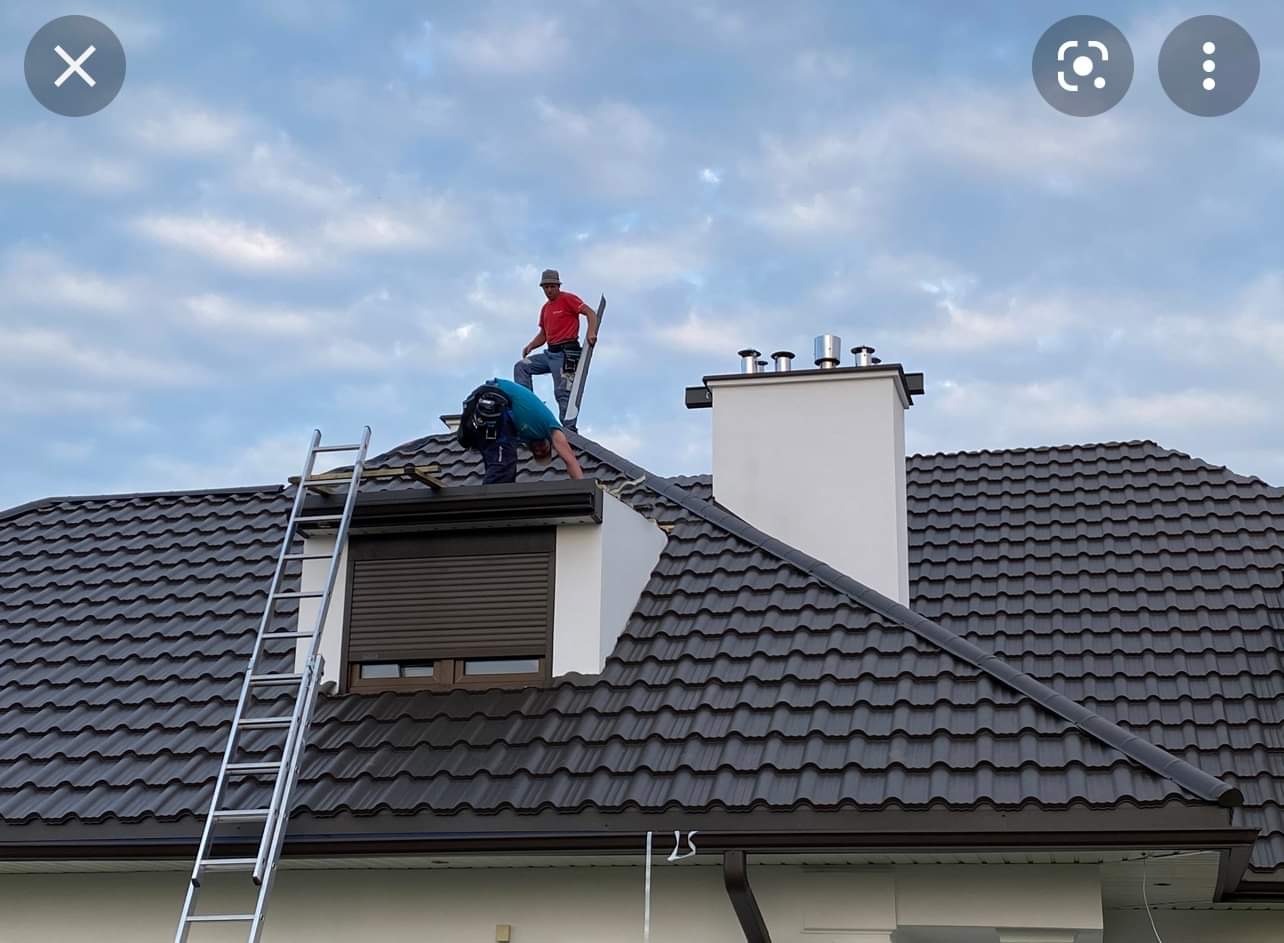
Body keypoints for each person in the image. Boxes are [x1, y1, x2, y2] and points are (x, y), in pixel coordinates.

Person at [514, 269, 598, 431]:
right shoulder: (545, 308)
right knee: (521, 366)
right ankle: (527, 409)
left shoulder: (567, 299)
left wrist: (591, 332)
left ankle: (569, 430)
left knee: (562, 391)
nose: (549, 290)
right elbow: (544, 334)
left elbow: (590, 313)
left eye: (552, 286)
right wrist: (531, 345)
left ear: (558, 286)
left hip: (566, 353)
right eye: (546, 287)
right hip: (550, 353)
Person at [458, 377, 584, 485]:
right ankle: (490, 508)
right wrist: (583, 490)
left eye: (537, 453)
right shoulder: (550, 426)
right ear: (549, 443)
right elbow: (570, 460)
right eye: (544, 450)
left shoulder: (520, 434)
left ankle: (490, 503)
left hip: (479, 409)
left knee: (497, 464)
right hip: (493, 397)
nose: (539, 449)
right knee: (504, 467)